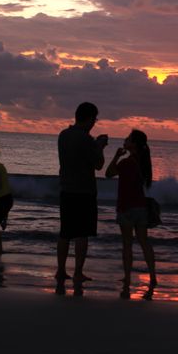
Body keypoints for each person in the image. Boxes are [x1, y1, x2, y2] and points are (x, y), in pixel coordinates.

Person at [57, 102, 109, 295]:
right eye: (94, 119)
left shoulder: (63, 135)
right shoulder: (86, 140)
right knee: (82, 234)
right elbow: (98, 165)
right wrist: (100, 146)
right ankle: (78, 272)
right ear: (89, 118)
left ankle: (60, 270)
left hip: (66, 189)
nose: (94, 123)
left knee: (65, 233)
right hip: (84, 191)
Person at [105, 129, 157, 298]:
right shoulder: (144, 162)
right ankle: (153, 276)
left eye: (127, 139)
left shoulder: (127, 162)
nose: (125, 140)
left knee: (127, 244)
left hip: (126, 207)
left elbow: (108, 173)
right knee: (144, 243)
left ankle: (127, 278)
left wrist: (116, 156)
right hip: (141, 207)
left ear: (133, 144)